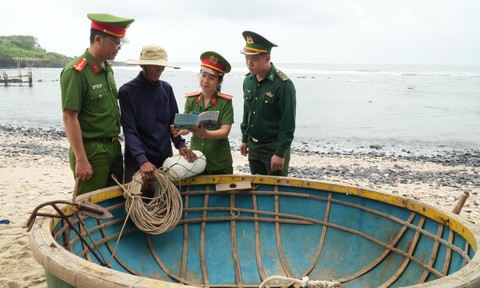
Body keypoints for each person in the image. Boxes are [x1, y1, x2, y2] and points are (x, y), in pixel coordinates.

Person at [60, 13, 134, 195]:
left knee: (112, 203)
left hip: (113, 146)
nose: (118, 48)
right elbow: (69, 117)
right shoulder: (76, 71)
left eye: (120, 43)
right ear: (98, 39)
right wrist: (81, 159)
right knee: (88, 207)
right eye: (115, 43)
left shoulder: (107, 69)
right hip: (91, 151)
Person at [119, 44, 197, 182]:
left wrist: (180, 144)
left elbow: (174, 124)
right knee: (134, 201)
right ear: (143, 66)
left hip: (164, 160)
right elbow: (129, 130)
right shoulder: (127, 91)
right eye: (155, 66)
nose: (159, 70)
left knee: (166, 201)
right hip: (137, 162)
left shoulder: (166, 89)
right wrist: (142, 160)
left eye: (162, 66)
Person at [239, 31, 296, 176]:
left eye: (255, 59)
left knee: (276, 194)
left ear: (267, 58)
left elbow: (288, 123)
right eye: (246, 58)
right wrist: (244, 139)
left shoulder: (283, 85)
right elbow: (247, 113)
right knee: (257, 191)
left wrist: (280, 153)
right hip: (254, 147)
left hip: (273, 148)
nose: (249, 63)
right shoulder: (248, 81)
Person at [171, 51, 234, 174]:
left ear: (219, 81)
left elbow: (225, 131)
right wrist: (179, 131)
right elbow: (187, 128)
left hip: (219, 163)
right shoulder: (191, 99)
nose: (206, 80)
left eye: (211, 78)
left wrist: (205, 134)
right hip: (196, 159)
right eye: (203, 75)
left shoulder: (225, 102)